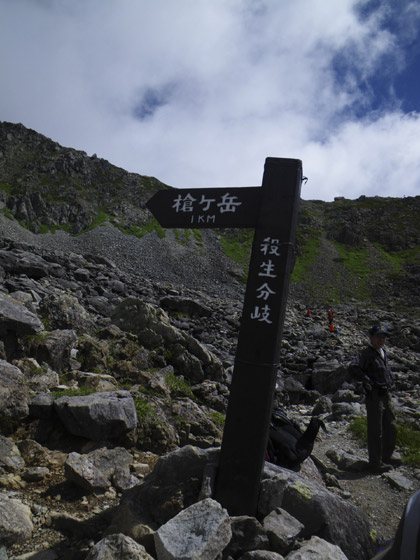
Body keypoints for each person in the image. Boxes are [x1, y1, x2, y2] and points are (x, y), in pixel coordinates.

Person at [350, 324, 398, 473]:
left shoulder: (383, 352)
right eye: (378, 336)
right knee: (375, 429)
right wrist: (368, 381)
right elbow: (353, 367)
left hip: (386, 393)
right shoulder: (366, 354)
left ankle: (386, 456)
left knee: (391, 425)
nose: (381, 339)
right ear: (370, 337)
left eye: (383, 337)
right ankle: (375, 463)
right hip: (374, 394)